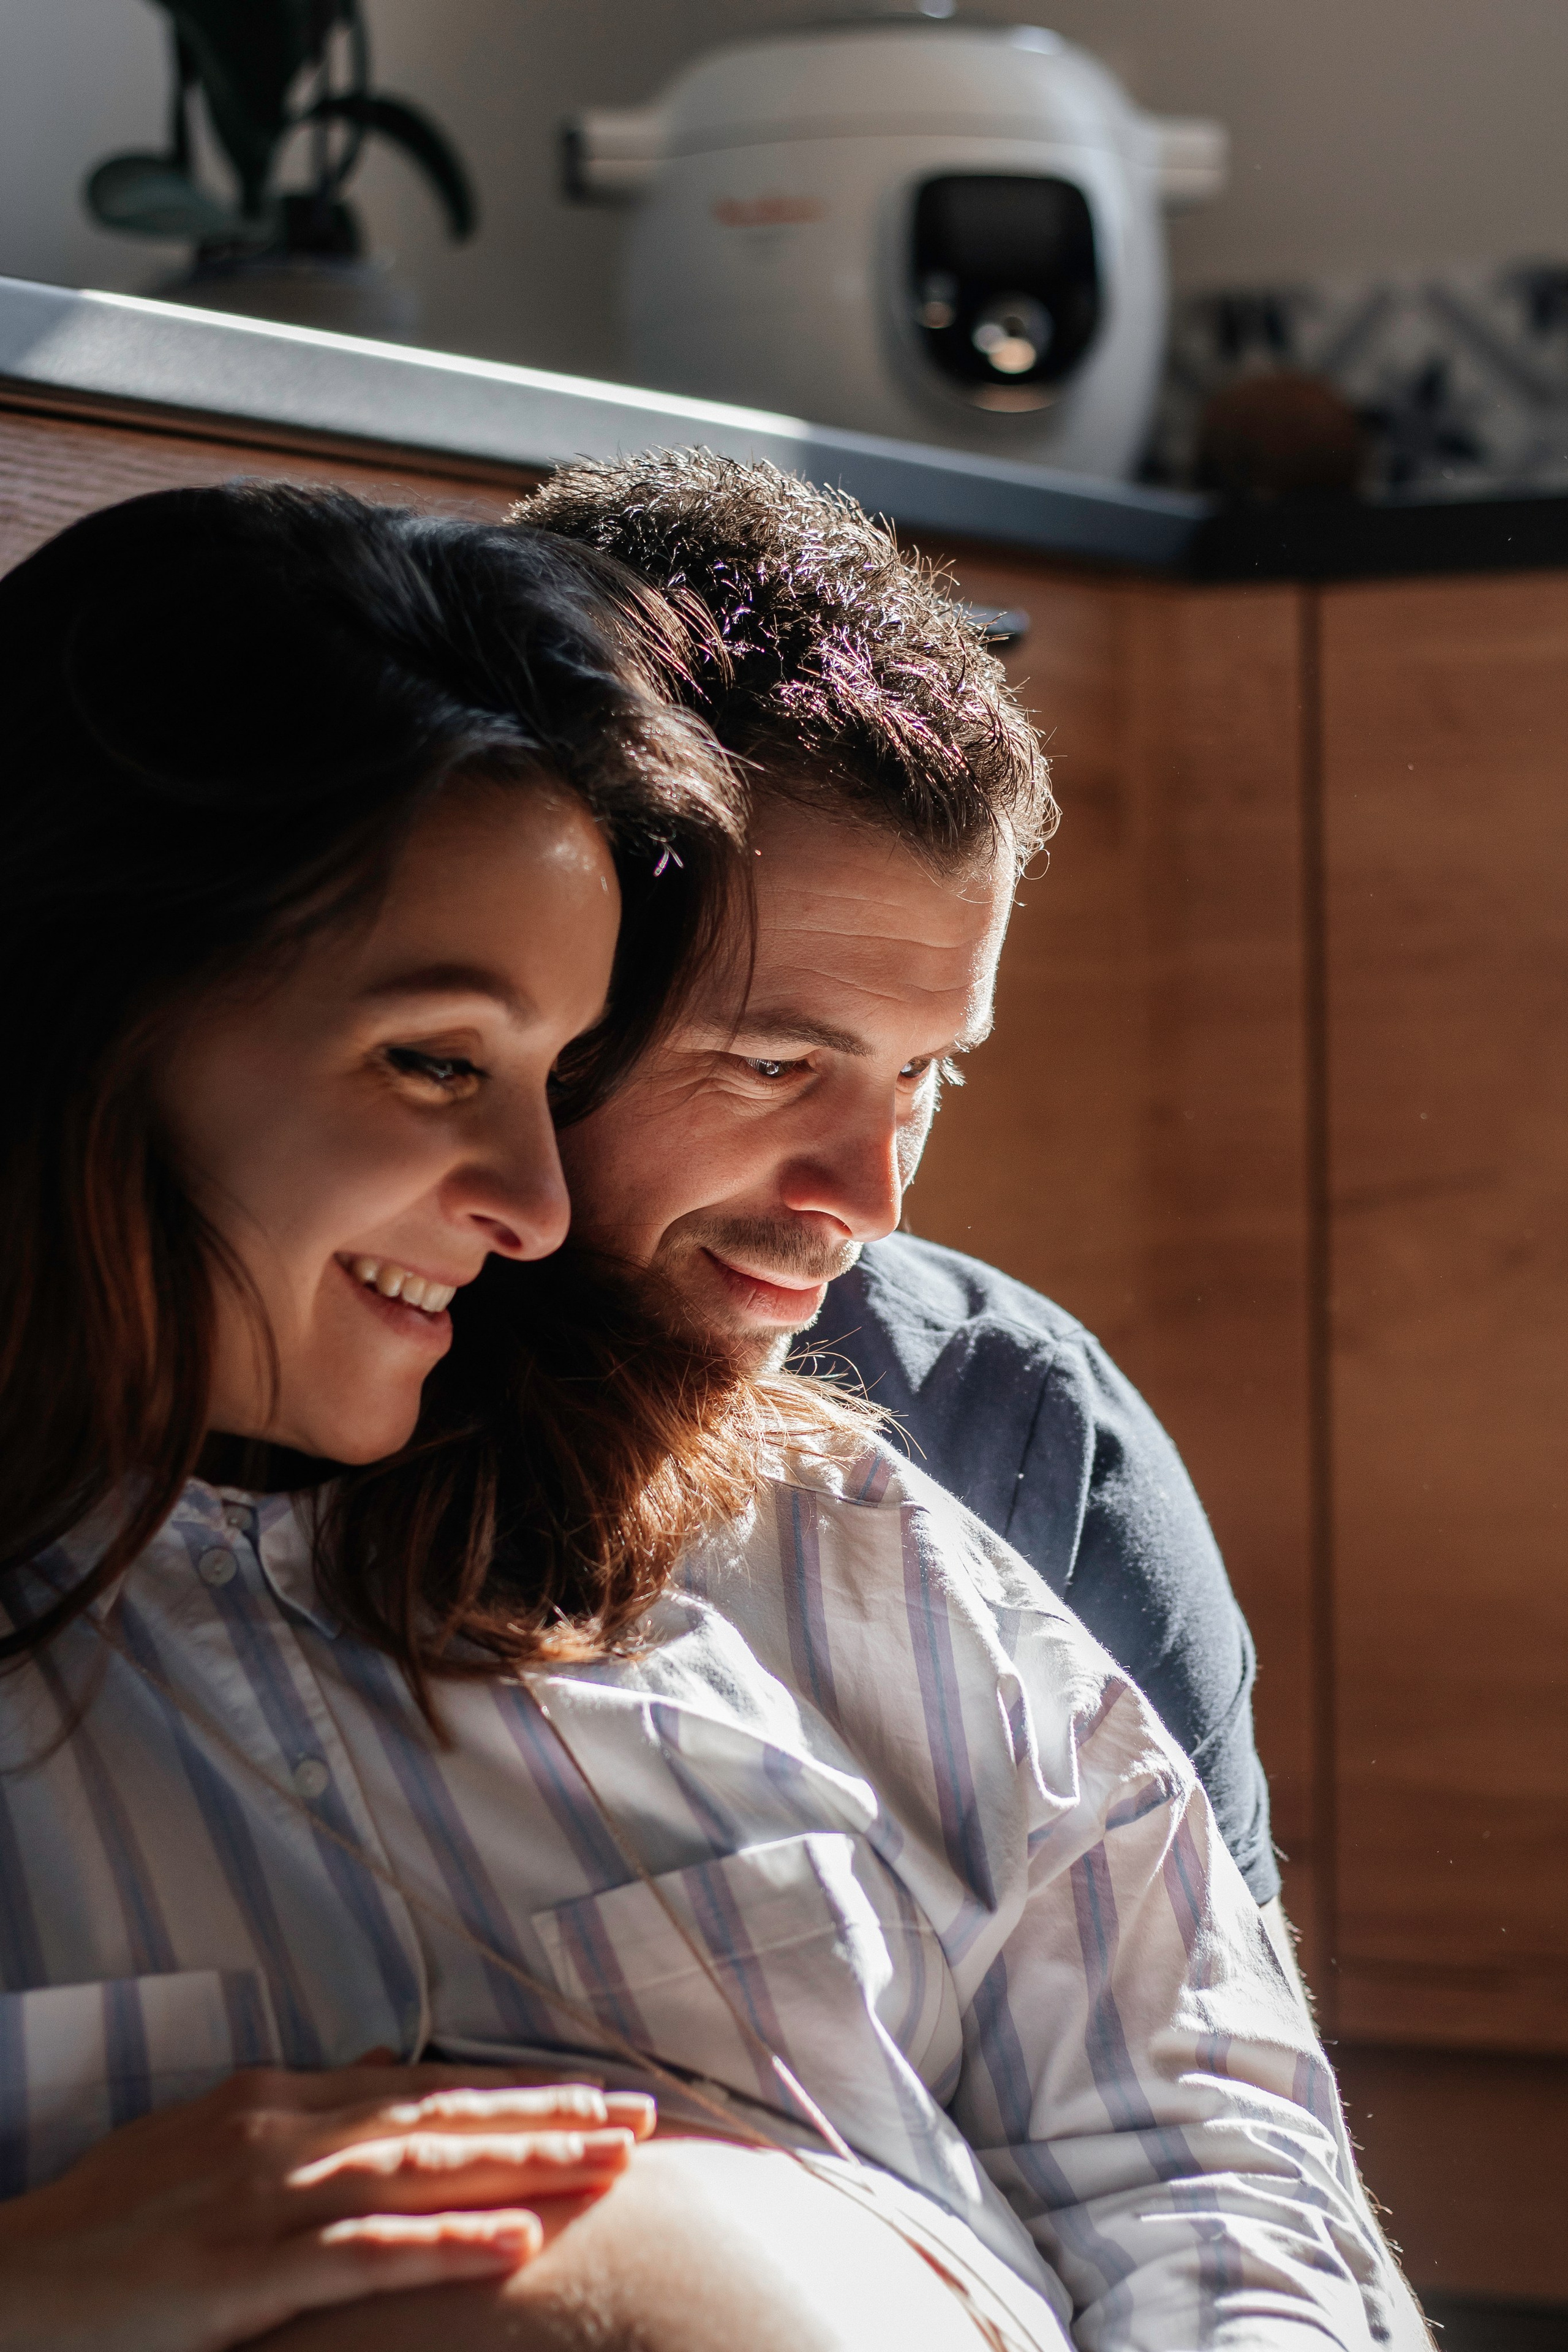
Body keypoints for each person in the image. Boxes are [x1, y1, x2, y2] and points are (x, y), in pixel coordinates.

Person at [0, 483, 1404, 2352]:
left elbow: (1218, 2176)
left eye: (926, 1078)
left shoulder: (850, 1523)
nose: (529, 1203)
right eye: (768, 1058)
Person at [520, 451, 1281, 1951]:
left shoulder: (1014, 1429)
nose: (866, 1200)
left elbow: (1225, 2044)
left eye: (925, 1072)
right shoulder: (241, 1396)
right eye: (772, 1063)